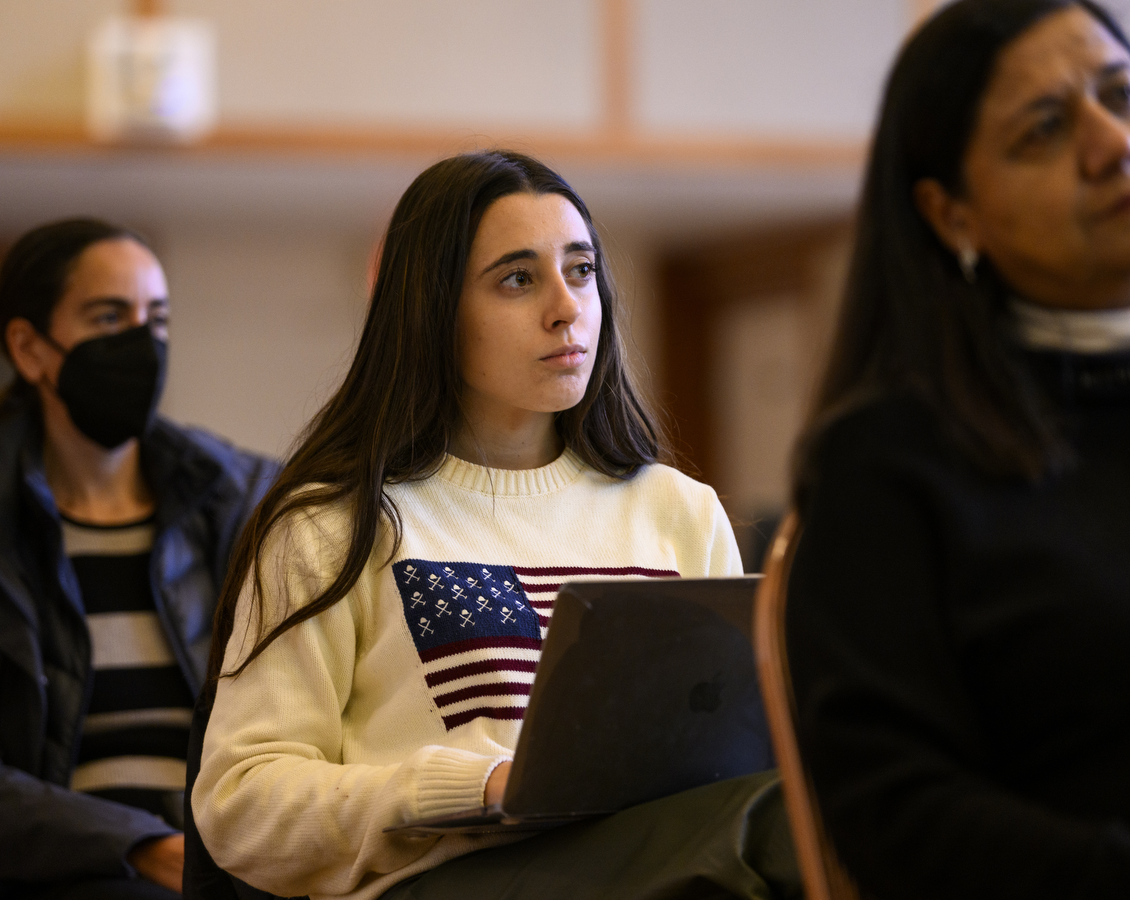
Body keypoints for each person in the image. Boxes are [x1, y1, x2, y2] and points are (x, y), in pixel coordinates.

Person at [189, 151, 796, 900]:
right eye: (518, 278)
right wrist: (470, 790)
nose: (565, 307)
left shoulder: (677, 510)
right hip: (448, 879)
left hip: (658, 864)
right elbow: (239, 803)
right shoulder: (333, 525)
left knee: (797, 814)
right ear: (433, 310)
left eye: (580, 271)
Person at [785, 1, 1130, 897]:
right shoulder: (892, 461)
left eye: (1125, 95)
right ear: (951, 213)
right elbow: (904, 823)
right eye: (1045, 129)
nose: (1114, 142)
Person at [0, 218, 279, 899]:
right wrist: (139, 846)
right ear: (30, 349)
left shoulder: (248, 507)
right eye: (109, 316)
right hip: (55, 876)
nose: (140, 342)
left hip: (228, 861)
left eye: (156, 319)